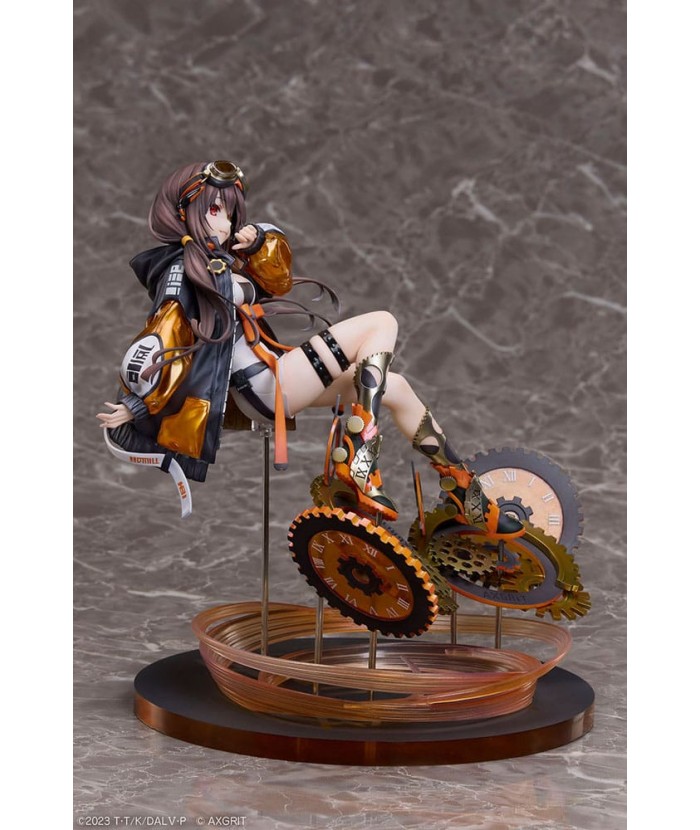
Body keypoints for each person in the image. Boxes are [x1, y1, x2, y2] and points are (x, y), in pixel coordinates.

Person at [97, 160, 522, 537]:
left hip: (271, 375)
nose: (225, 222)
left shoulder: (220, 261)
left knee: (397, 387)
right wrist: (137, 405)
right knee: (381, 323)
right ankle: (357, 461)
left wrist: (257, 241)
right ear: (182, 213)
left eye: (229, 212)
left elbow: (277, 279)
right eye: (213, 210)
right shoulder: (181, 271)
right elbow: (161, 342)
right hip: (264, 385)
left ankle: (463, 492)